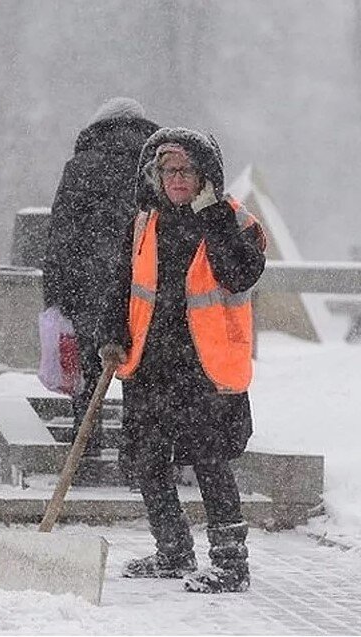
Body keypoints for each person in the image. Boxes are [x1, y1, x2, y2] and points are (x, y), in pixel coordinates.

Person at [98, 127, 266, 593]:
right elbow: (121, 286)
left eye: (186, 169)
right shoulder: (144, 223)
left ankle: (231, 564)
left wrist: (209, 214)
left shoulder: (235, 222)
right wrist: (111, 334)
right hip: (150, 363)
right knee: (148, 460)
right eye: (168, 169)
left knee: (210, 462)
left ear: (204, 175)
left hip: (204, 368)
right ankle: (172, 551)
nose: (176, 178)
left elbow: (237, 274)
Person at [42, 97, 159, 469]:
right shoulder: (156, 167)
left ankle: (86, 451)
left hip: (87, 284)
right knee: (138, 372)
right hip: (143, 285)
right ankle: (134, 457)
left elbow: (60, 234)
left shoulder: (81, 167)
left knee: (90, 372)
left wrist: (55, 293)